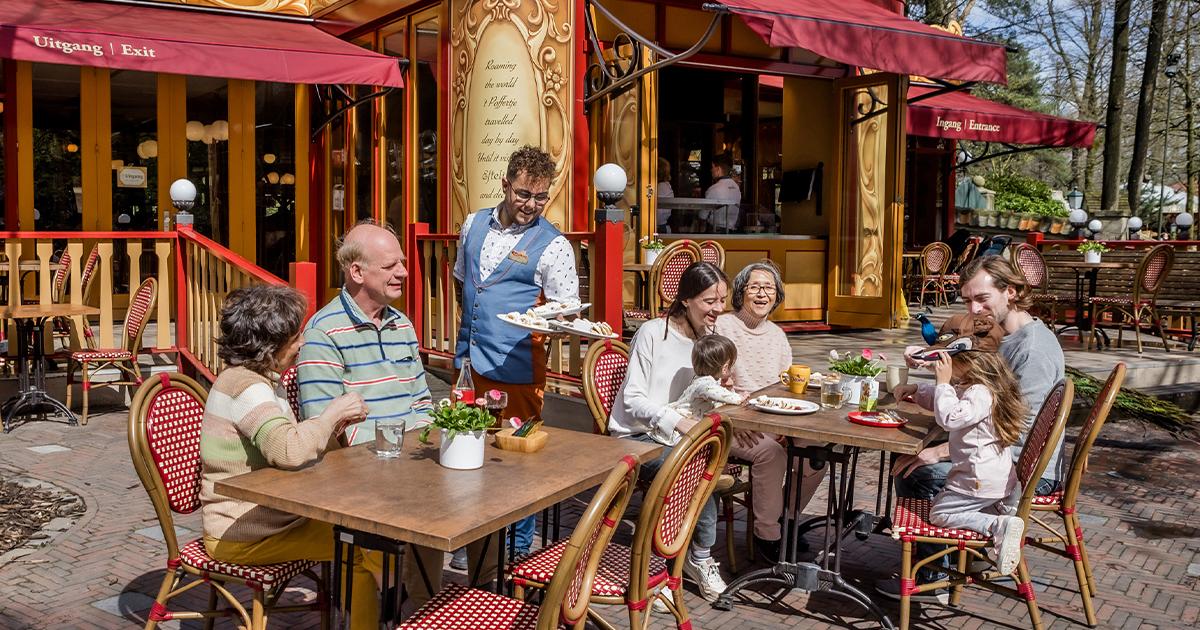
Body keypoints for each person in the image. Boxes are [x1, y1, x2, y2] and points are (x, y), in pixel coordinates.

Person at [877, 255, 1065, 602]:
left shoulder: (1032, 350)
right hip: (998, 454)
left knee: (917, 470)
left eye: (982, 299)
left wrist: (941, 450)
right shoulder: (1004, 337)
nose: (974, 309)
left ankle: (933, 576)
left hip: (1026, 466)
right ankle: (960, 557)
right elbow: (969, 373)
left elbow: (1019, 432)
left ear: (1010, 292)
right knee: (914, 457)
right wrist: (928, 371)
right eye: (967, 300)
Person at [200, 285, 381, 629]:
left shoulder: (255, 380)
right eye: (295, 337)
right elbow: (288, 450)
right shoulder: (246, 387)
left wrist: (333, 424)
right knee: (359, 548)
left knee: (360, 535)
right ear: (269, 345)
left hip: (269, 521)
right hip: (242, 533)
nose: (300, 344)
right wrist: (329, 416)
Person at [296, 221, 451, 610]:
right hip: (359, 479)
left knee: (485, 507)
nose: (403, 271)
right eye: (391, 265)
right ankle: (404, 604)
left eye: (402, 262)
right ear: (357, 273)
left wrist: (426, 454)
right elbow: (326, 427)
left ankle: (428, 609)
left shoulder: (403, 325)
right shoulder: (324, 332)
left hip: (412, 466)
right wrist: (402, 462)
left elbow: (421, 403)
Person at [453, 145, 578, 558]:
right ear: (505, 184)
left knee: (516, 466)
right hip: (468, 364)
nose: (532, 205)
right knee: (467, 452)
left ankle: (517, 556)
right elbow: (463, 282)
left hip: (518, 370)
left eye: (541, 197)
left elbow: (566, 314)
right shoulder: (471, 224)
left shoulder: (555, 246)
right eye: (524, 194)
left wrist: (551, 325)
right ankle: (473, 541)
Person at [608, 261, 731, 602]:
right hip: (635, 436)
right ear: (687, 299)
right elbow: (632, 400)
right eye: (710, 301)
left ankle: (692, 558)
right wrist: (676, 422)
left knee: (708, 465)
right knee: (691, 470)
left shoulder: (707, 338)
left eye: (722, 300)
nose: (718, 309)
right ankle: (668, 566)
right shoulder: (653, 333)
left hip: (678, 438)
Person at [714, 260, 823, 562]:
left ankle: (787, 519)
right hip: (734, 422)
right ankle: (766, 535)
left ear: (777, 296)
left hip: (775, 419)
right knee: (770, 454)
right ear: (741, 293)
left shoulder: (777, 335)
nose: (762, 294)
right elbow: (711, 385)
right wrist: (736, 419)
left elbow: (785, 386)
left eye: (769, 288)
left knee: (816, 454)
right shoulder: (723, 326)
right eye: (755, 287)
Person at [902, 334, 1029, 576]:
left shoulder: (980, 392)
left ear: (969, 363)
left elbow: (950, 416)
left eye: (952, 359)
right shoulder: (982, 389)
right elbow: (953, 400)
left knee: (939, 513)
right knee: (941, 502)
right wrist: (917, 390)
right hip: (993, 478)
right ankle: (995, 515)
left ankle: (996, 524)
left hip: (977, 480)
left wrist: (942, 382)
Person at [663, 334, 745, 422]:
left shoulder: (706, 381)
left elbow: (719, 402)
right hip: (679, 428)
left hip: (689, 425)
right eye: (732, 364)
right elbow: (716, 393)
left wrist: (729, 389)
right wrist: (739, 398)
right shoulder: (704, 383)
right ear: (725, 368)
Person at [701, 154, 741, 233]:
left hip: (715, 232)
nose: (711, 170)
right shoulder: (736, 187)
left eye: (712, 167)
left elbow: (702, 215)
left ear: (718, 169)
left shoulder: (714, 189)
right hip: (731, 232)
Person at [657, 157, 675, 233]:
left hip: (659, 227)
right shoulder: (665, 186)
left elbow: (659, 214)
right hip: (661, 225)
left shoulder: (661, 187)